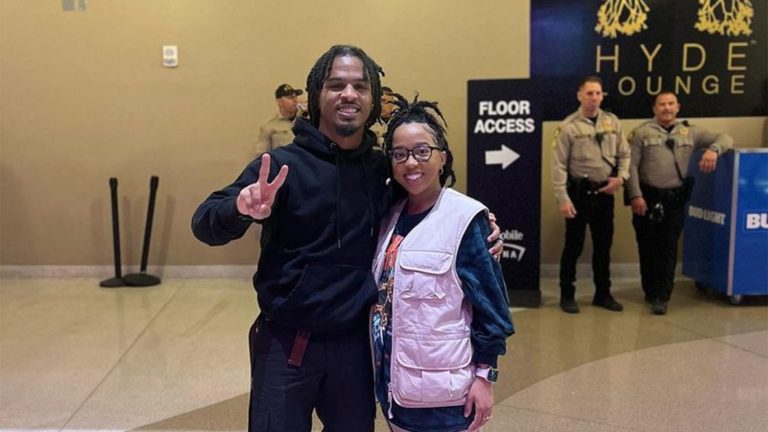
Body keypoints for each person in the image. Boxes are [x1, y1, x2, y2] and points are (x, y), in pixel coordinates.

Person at [191, 45, 501, 432]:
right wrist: (240, 207)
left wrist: (480, 226)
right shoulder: (284, 166)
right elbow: (204, 222)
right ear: (317, 95)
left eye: (360, 86)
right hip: (285, 343)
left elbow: (427, 203)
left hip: (355, 348)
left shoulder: (382, 171)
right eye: (336, 85)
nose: (349, 94)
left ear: (373, 98)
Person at [371, 96, 514, 432]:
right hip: (394, 389)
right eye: (400, 154)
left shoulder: (466, 219)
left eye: (422, 151)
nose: (411, 162)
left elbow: (492, 309)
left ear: (442, 157)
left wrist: (485, 376)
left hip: (445, 400)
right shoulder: (388, 217)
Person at [626, 91, 733, 315]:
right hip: (647, 197)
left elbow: (726, 138)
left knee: (668, 246)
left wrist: (714, 150)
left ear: (677, 107)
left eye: (670, 104)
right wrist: (635, 195)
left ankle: (663, 296)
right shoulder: (641, 132)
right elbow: (631, 166)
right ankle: (650, 290)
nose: (666, 108)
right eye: (662, 104)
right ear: (654, 109)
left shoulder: (691, 131)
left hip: (673, 199)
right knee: (646, 246)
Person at [552, 76, 630, 314]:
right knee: (573, 247)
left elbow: (624, 154)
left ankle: (603, 294)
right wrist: (562, 198)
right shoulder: (568, 126)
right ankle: (567, 295)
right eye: (589, 93)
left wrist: (621, 178)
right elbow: (559, 165)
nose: (594, 98)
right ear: (580, 96)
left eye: (598, 93)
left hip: (605, 193)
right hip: (578, 194)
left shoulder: (612, 122)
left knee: (603, 247)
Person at [253, 83, 303, 155]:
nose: (295, 100)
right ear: (280, 102)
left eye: (295, 97)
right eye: (290, 97)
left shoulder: (304, 122)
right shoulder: (269, 127)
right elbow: (261, 155)